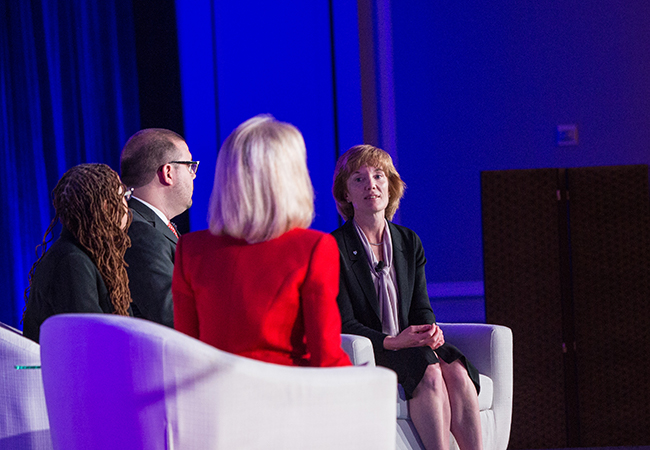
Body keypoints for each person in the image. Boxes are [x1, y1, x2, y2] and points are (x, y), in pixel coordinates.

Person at [332, 145, 482, 450]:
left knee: (456, 369)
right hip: (373, 348)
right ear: (346, 194)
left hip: (410, 344)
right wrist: (394, 341)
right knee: (427, 369)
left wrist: (429, 330)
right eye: (358, 179)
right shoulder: (334, 247)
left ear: (390, 186)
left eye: (378, 176)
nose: (371, 185)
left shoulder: (408, 240)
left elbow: (420, 306)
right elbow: (344, 323)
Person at [172, 114, 351, 367]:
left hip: (212, 401)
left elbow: (185, 354)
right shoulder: (313, 248)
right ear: (291, 178)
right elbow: (326, 357)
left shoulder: (190, 249)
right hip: (285, 397)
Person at [23, 164, 132, 343]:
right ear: (106, 207)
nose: (127, 207)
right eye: (123, 197)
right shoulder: (72, 262)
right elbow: (92, 341)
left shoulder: (86, 255)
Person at [120, 129, 197, 328]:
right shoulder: (140, 231)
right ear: (168, 172)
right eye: (190, 166)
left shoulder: (152, 225)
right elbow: (170, 313)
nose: (193, 176)